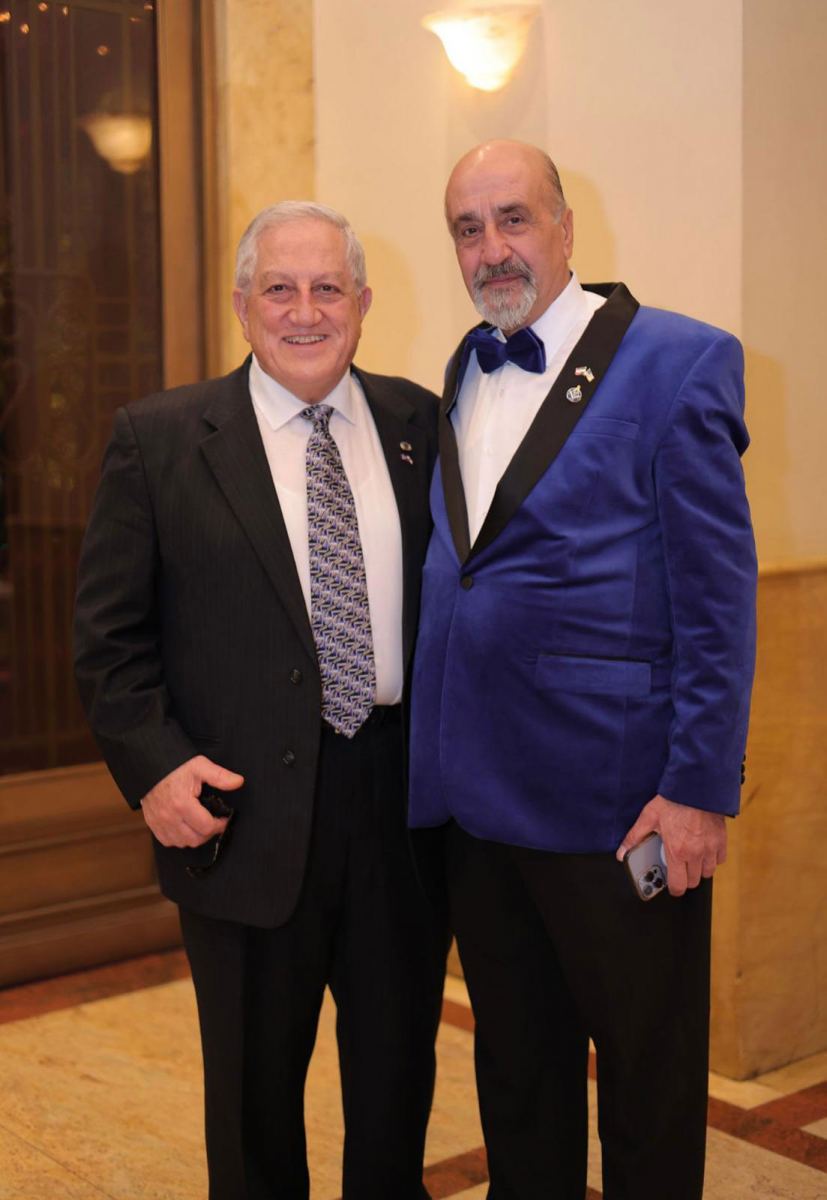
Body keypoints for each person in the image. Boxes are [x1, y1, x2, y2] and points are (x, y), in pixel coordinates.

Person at [74, 201, 448, 1200]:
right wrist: (154, 769)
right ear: (242, 305)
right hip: (239, 818)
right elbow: (108, 642)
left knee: (396, 1084)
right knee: (252, 1109)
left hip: (399, 814)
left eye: (328, 288)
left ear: (362, 303)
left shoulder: (420, 424)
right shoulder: (159, 439)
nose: (304, 311)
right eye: (279, 288)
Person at [408, 140, 757, 1199]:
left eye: (513, 218)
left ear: (565, 227)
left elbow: (717, 600)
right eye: (468, 228)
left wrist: (697, 789)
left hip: (618, 804)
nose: (491, 248)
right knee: (517, 1077)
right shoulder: (463, 366)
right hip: (478, 808)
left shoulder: (678, 360)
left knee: (646, 1086)